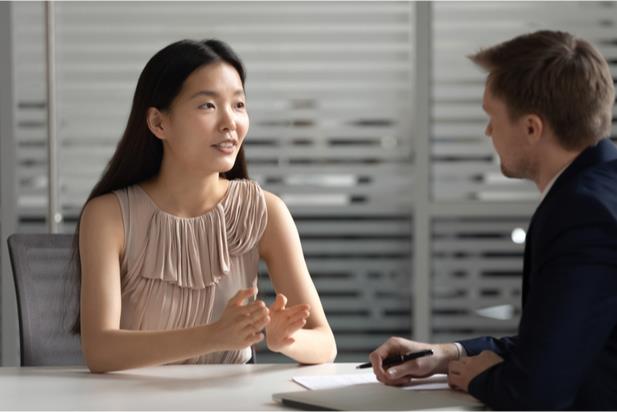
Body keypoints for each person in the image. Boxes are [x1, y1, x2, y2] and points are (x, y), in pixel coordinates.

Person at [370, 30, 617, 410]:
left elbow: (537, 393)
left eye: (492, 117)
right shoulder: (601, 187)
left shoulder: (581, 214)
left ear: (532, 128)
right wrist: (447, 354)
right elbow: (563, 340)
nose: (488, 131)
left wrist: (480, 378)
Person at [73, 39, 337, 373]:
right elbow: (100, 350)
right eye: (208, 106)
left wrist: (285, 340)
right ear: (158, 123)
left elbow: (325, 343)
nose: (230, 123)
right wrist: (214, 336)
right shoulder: (108, 216)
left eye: (238, 105)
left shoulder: (265, 212)